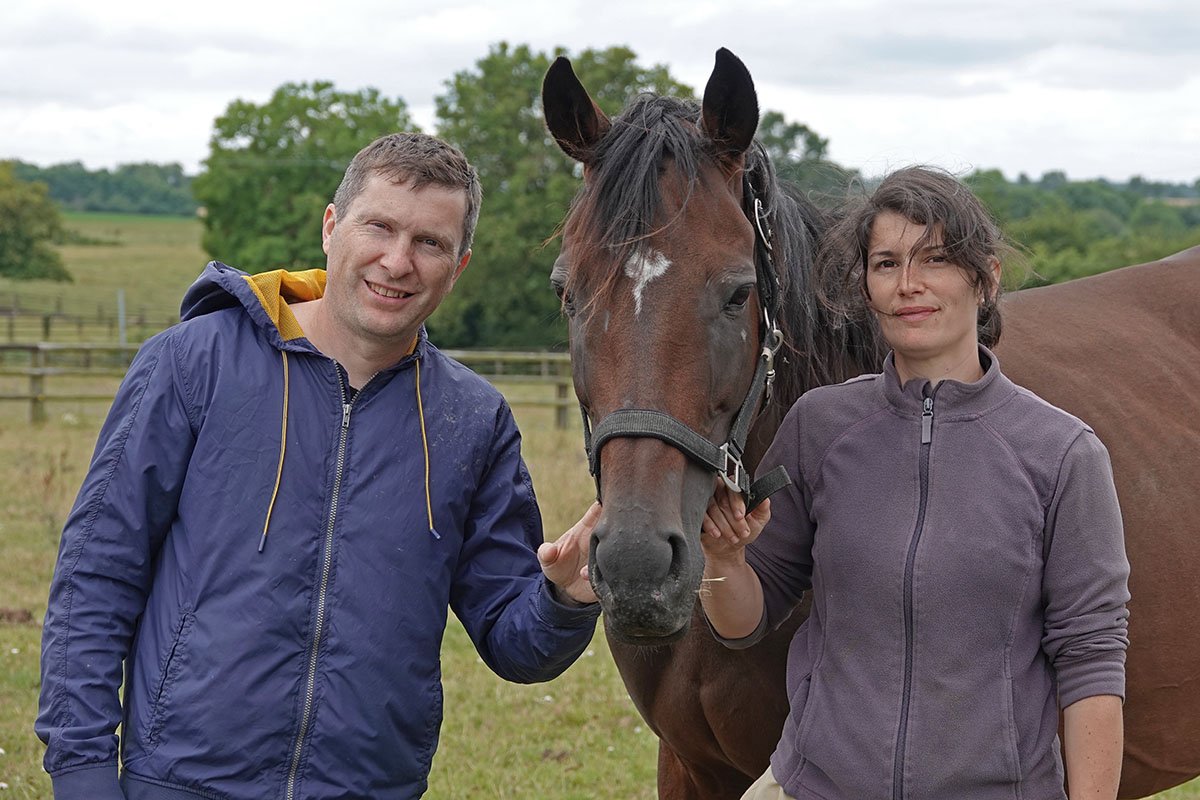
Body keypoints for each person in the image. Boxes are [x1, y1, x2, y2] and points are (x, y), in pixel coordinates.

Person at [36, 132, 600, 800]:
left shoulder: (474, 420)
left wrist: (565, 597)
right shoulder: (193, 363)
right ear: (332, 227)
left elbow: (516, 644)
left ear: (459, 266)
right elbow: (96, 577)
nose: (398, 261)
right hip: (181, 783)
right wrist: (83, 772)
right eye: (379, 227)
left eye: (430, 242)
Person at [699, 166, 1130, 800]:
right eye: (886, 263)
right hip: (816, 786)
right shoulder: (819, 427)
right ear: (866, 287)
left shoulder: (1062, 454)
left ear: (986, 278)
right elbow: (743, 621)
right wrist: (724, 561)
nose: (908, 284)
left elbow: (1091, 658)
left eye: (936, 259)